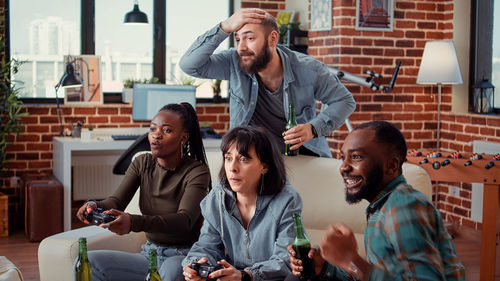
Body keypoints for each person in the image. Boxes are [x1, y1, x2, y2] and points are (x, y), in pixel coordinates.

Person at [287, 121, 465, 281]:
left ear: (392, 165)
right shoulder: (380, 207)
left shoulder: (404, 206)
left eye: (356, 157)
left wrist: (351, 260)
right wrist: (324, 268)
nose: (343, 167)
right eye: (343, 157)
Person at [179, 9, 355, 158]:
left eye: (249, 38)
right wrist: (224, 27)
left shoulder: (308, 69)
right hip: (252, 157)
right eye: (238, 39)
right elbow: (189, 65)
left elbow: (345, 101)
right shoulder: (235, 61)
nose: (241, 47)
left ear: (272, 39)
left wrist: (313, 128)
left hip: (301, 156)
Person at [74, 103, 211, 281]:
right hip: (149, 255)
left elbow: (184, 220)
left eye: (167, 130)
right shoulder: (142, 162)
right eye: (153, 129)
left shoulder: (197, 171)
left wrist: (133, 222)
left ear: (183, 137)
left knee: (169, 274)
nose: (156, 135)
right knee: (89, 262)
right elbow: (116, 201)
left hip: (182, 256)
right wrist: (93, 205)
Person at [178, 126, 302, 281]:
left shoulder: (287, 200)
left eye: (243, 159)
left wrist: (246, 275)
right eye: (228, 158)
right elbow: (206, 246)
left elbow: (285, 260)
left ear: (265, 166)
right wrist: (197, 265)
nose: (232, 168)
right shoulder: (218, 197)